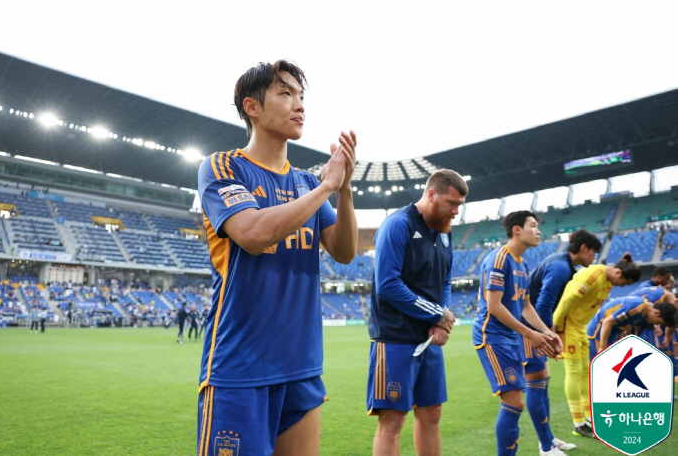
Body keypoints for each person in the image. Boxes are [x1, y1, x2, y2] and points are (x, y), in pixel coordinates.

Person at [196, 60, 357, 456]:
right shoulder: (222, 166)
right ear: (252, 107)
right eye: (285, 94)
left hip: (301, 366)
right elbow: (252, 234)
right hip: (240, 367)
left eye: (301, 96)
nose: (299, 105)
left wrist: (344, 191)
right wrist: (326, 188)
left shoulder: (304, 182)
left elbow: (344, 252)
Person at [367, 169, 466, 456]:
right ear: (431, 195)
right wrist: (436, 315)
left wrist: (441, 321)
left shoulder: (445, 234)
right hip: (395, 338)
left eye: (459, 205)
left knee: (432, 413)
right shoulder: (397, 225)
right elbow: (387, 284)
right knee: (393, 420)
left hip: (429, 339)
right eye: (451, 203)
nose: (456, 212)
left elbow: (444, 282)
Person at [473, 211, 563, 456]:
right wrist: (531, 335)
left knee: (517, 401)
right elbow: (494, 306)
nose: (538, 231)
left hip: (510, 336)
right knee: (514, 402)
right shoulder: (499, 259)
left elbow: (526, 306)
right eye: (533, 226)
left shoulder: (522, 265)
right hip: (491, 336)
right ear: (516, 229)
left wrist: (546, 332)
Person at [521, 230, 602, 452]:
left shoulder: (562, 264)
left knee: (543, 382)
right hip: (529, 330)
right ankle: (545, 447)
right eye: (594, 251)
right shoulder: (560, 267)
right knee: (537, 385)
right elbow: (544, 303)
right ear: (584, 247)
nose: (595, 257)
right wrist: (547, 335)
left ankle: (548, 439)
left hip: (533, 328)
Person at [552, 253, 641, 437]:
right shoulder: (593, 275)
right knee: (575, 372)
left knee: (585, 373)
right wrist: (554, 328)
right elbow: (567, 299)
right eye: (623, 282)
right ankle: (578, 423)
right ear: (617, 272)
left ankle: (590, 419)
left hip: (580, 327)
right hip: (568, 325)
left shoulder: (608, 281)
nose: (621, 286)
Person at [587, 294, 677, 357]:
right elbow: (607, 322)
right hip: (598, 331)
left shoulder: (642, 313)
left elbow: (620, 326)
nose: (657, 324)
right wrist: (602, 348)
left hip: (610, 333)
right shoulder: (637, 307)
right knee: (599, 366)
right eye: (659, 322)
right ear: (657, 312)